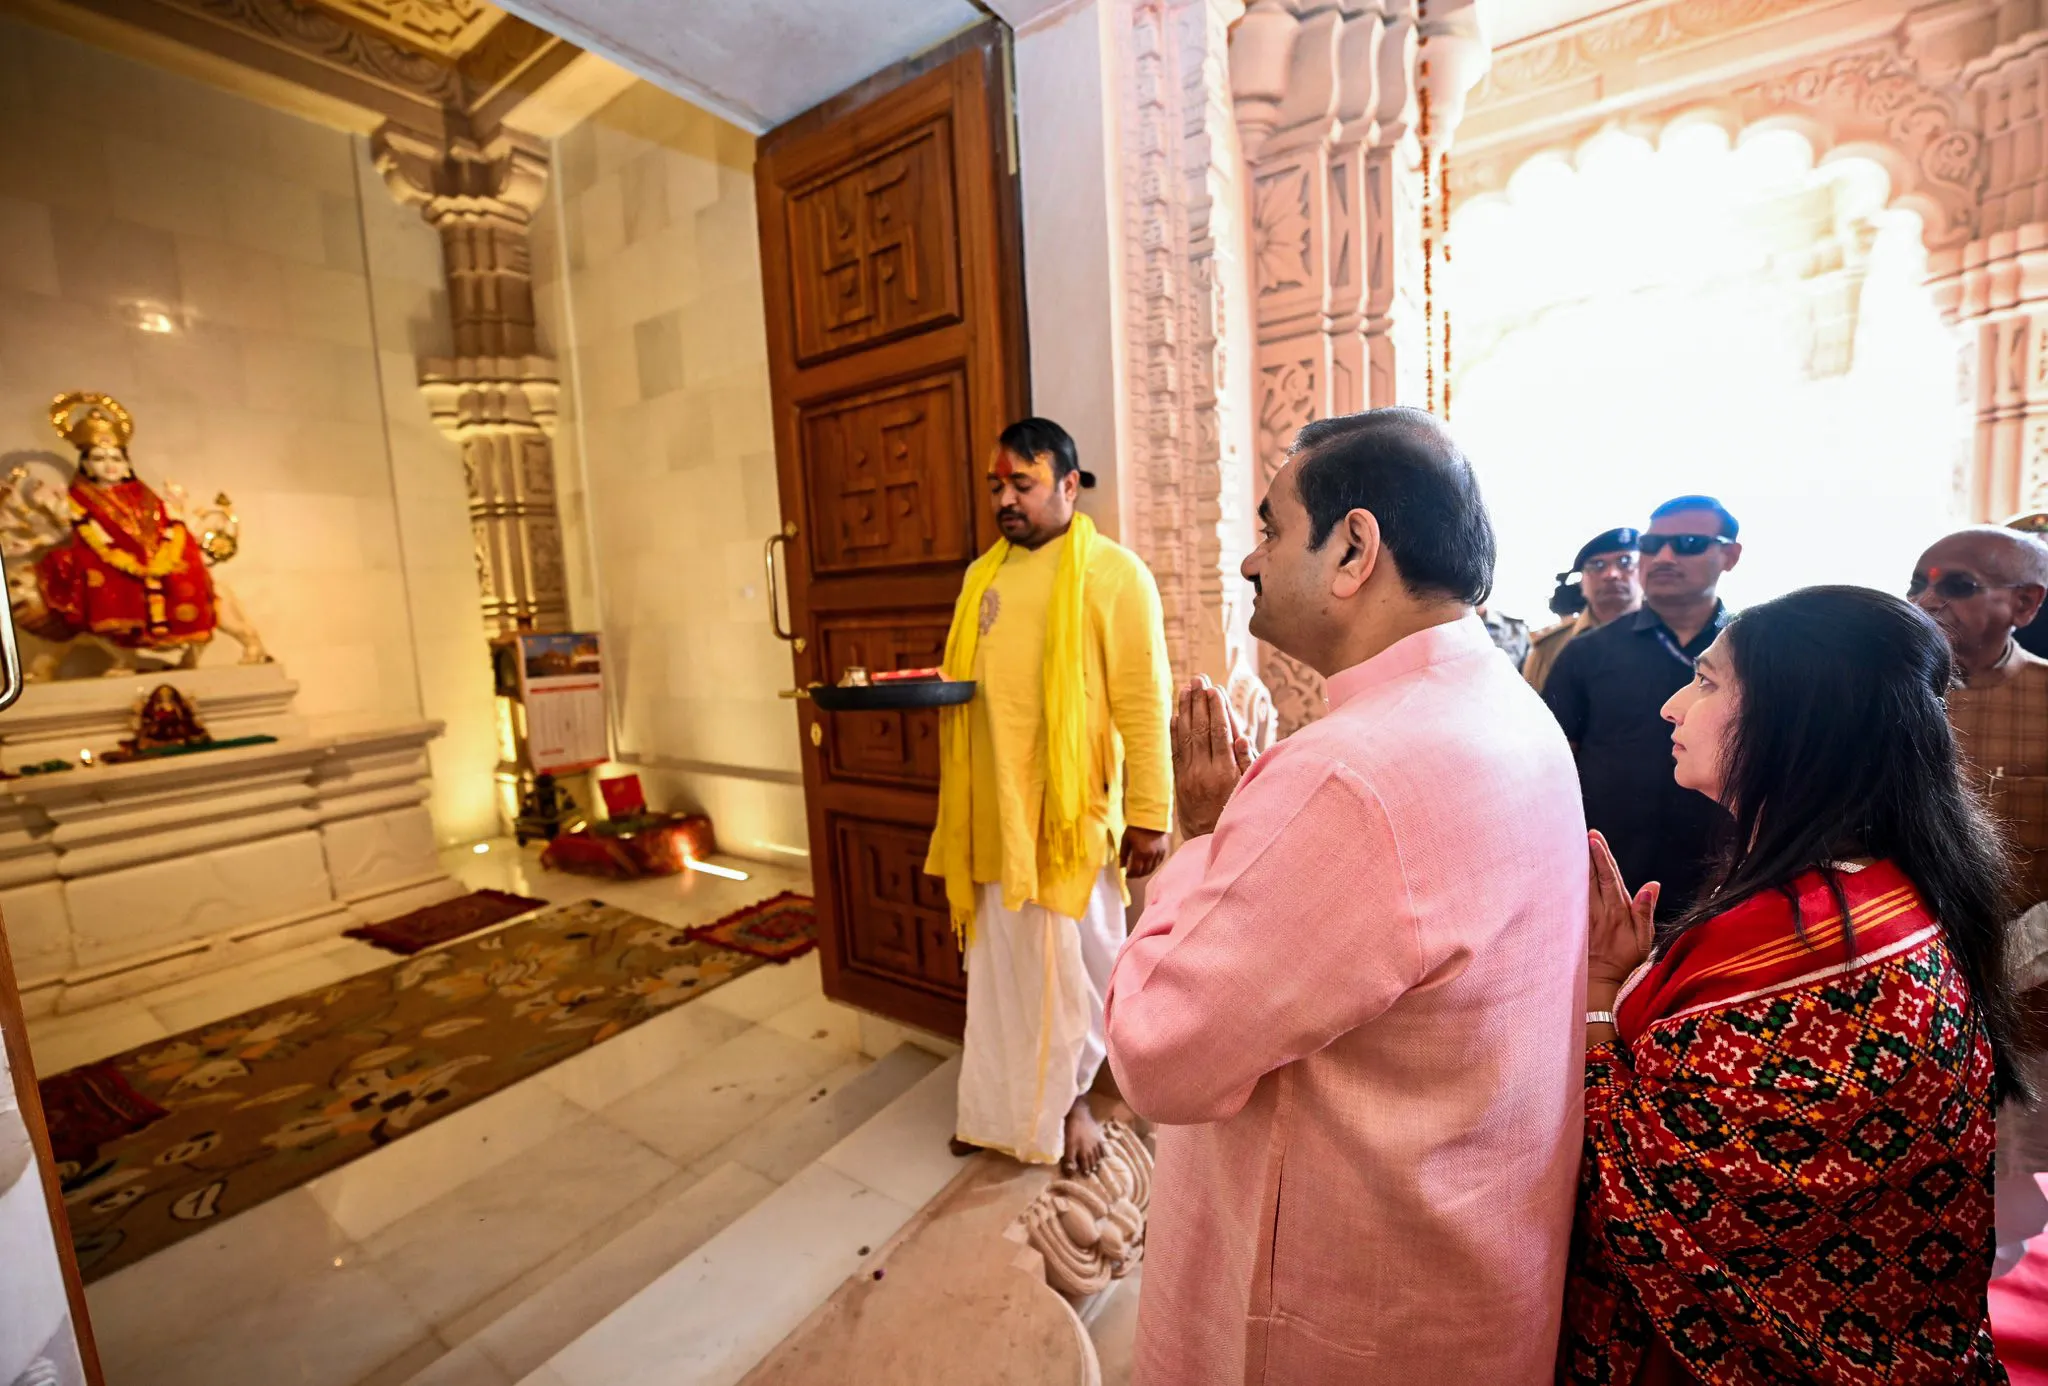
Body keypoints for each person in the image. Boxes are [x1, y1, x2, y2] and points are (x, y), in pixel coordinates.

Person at [1106, 408, 1588, 1385]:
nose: (1248, 561)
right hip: (1469, 1268)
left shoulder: (1349, 774)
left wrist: (1201, 844)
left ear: (1352, 549)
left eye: (1271, 528)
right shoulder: (1507, 706)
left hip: (1341, 1312)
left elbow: (1157, 1054)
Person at [1564, 586, 2020, 1385]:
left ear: (1792, 717)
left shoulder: (1798, 943)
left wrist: (1605, 995)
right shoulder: (1873, 887)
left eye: (1706, 682)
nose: (1673, 707)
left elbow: (1641, 1179)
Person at [924, 417, 1172, 1174]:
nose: (1005, 498)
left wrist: (1151, 814)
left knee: (1076, 975)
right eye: (996, 486)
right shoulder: (980, 578)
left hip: (1069, 821)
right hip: (991, 814)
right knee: (1001, 977)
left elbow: (1141, 699)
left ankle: (1070, 1106)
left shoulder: (1114, 575)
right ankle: (996, 1115)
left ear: (1068, 484)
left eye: (1021, 484)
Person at [1909, 525, 2048, 1275]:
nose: (1928, 600)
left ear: (2024, 603)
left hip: (2023, 1001)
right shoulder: (1891, 702)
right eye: (1920, 584)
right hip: (1900, 987)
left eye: (1955, 586)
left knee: (2002, 1205)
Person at [1543, 496, 1741, 920]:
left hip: (1726, 883)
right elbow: (1551, 768)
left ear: (1730, 555)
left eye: (1687, 543)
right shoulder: (1585, 653)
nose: (1665, 557)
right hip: (1606, 881)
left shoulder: (1754, 656)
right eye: (1653, 545)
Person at [1523, 527, 1642, 693]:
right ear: (1582, 582)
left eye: (1625, 562)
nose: (1612, 574)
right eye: (1597, 565)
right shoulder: (1550, 647)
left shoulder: (1674, 634)